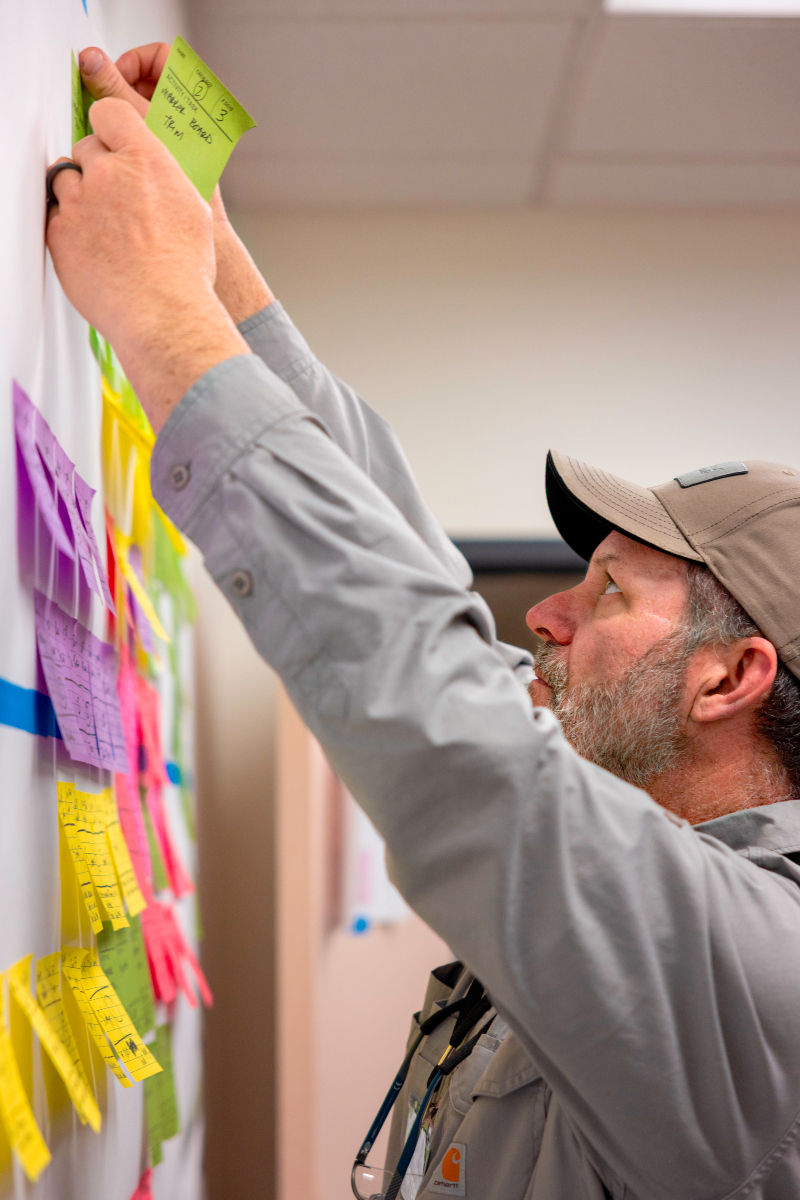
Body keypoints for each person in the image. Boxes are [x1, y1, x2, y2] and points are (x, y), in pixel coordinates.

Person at [46, 47, 800, 1200]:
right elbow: (420, 592)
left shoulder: (756, 966)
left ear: (727, 679)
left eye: (604, 591)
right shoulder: (664, 875)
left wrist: (158, 318)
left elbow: (452, 730)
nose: (541, 616)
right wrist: (211, 270)